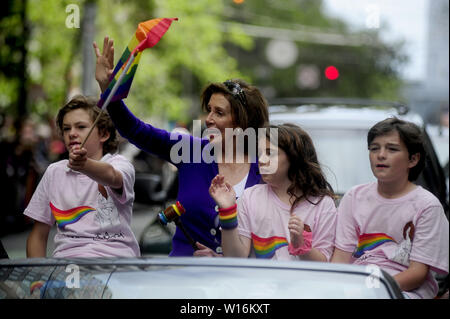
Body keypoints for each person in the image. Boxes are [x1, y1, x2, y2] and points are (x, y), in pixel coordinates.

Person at [93, 37, 269, 256]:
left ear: (243, 123)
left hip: (241, 286)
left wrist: (220, 258)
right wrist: (108, 88)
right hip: (185, 279)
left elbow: (276, 241)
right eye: (209, 110)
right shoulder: (190, 151)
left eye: (219, 113)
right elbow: (135, 130)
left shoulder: (266, 170)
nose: (209, 119)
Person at [331, 117, 449, 299]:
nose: (381, 155)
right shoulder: (354, 197)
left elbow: (417, 273)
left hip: (404, 291)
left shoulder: (427, 206)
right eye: (374, 148)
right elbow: (340, 258)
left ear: (413, 159)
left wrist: (371, 287)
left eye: (392, 149)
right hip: (353, 287)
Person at [25, 95, 140, 258]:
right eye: (66, 128)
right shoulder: (54, 172)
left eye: (80, 127)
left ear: (104, 134)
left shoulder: (120, 164)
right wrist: (37, 282)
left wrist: (84, 165)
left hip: (116, 267)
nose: (72, 133)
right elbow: (38, 235)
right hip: (66, 268)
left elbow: (112, 176)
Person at [209, 124, 337, 261]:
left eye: (270, 153)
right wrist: (227, 210)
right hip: (259, 282)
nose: (261, 160)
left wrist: (301, 245)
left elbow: (324, 264)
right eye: (260, 153)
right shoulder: (250, 197)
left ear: (294, 158)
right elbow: (234, 257)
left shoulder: (323, 204)